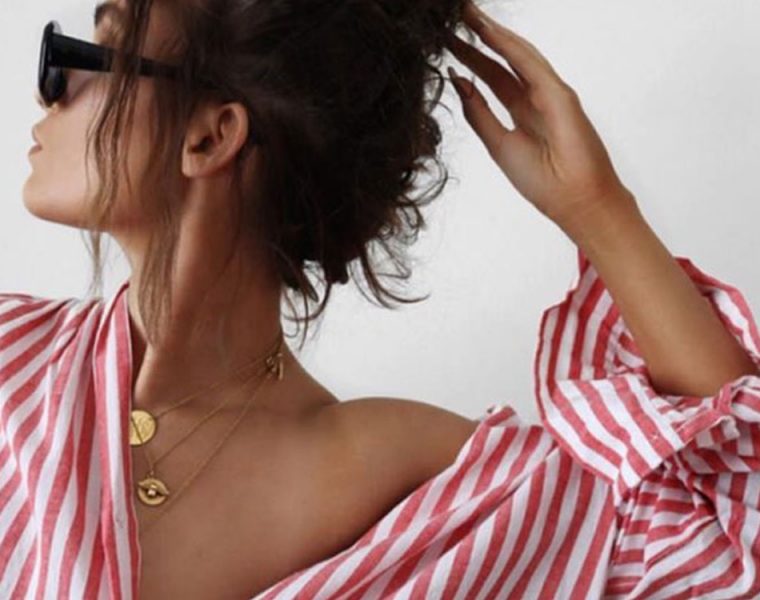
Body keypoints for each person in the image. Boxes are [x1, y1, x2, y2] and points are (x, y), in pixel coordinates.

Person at [4, 0, 759, 597]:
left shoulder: (390, 468)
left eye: (90, 53)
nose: (48, 87)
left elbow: (721, 536)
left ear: (210, 136)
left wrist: (601, 210)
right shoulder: (15, 361)